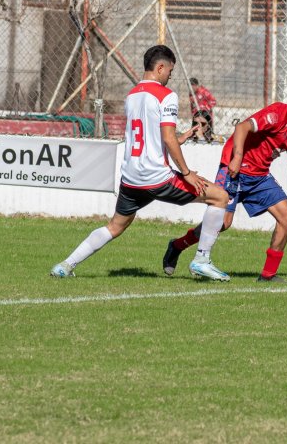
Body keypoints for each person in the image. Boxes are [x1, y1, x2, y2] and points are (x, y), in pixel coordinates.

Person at [50, 45, 232, 281]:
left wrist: (181, 138)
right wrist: (186, 173)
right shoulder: (167, 96)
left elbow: (153, 138)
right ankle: (201, 260)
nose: (170, 76)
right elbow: (166, 137)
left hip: (132, 178)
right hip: (157, 178)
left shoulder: (133, 94)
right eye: (170, 71)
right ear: (160, 67)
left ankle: (66, 264)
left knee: (115, 226)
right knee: (220, 197)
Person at [164, 86, 287, 283]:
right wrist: (237, 157)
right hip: (234, 169)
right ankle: (177, 246)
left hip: (259, 176)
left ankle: (268, 275)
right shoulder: (278, 113)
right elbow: (241, 127)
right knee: (223, 223)